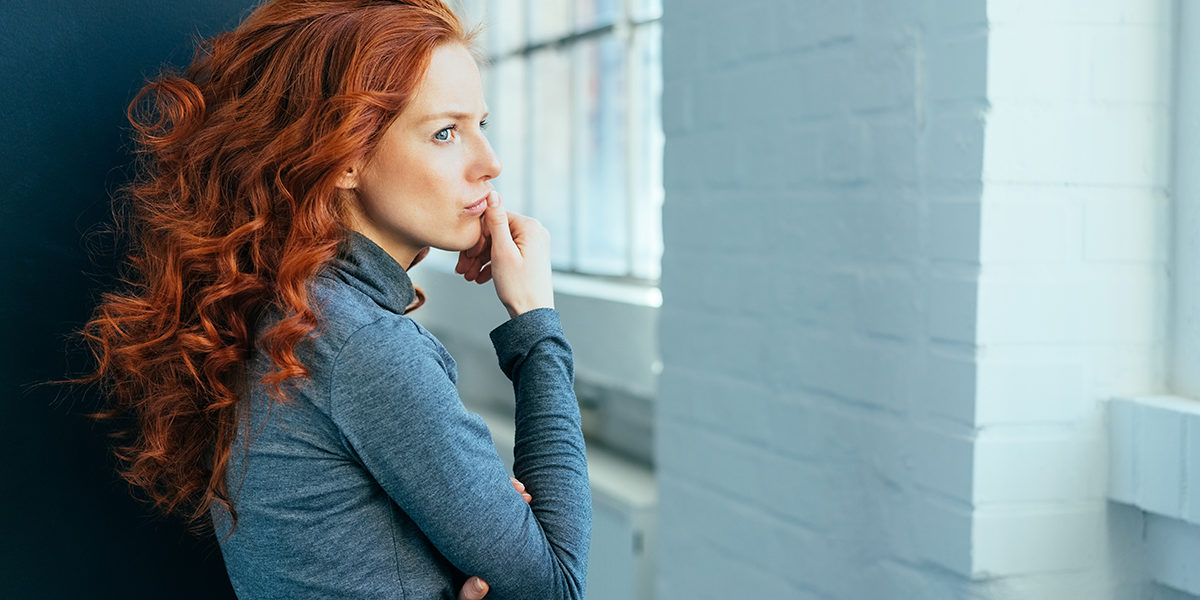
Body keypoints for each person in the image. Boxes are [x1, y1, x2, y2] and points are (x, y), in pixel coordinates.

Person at [78, 1, 591, 598]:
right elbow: (556, 586)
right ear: (345, 155)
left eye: (482, 125)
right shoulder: (360, 343)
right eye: (445, 132)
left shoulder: (285, 301)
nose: (489, 163)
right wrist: (535, 323)